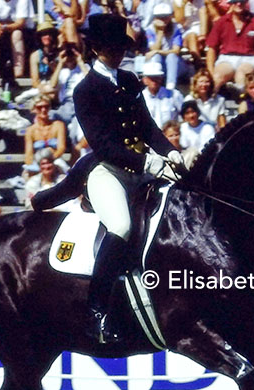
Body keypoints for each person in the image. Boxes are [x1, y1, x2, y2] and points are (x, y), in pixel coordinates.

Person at [73, 13, 183, 343]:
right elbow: (104, 146)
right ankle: (96, 311)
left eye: (121, 46)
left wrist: (171, 151)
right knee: (121, 225)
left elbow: (147, 127)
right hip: (108, 173)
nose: (119, 53)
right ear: (95, 48)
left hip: (144, 168)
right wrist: (148, 162)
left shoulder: (131, 80)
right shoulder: (85, 90)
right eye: (111, 47)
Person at [205, 0, 254, 94]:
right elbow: (212, 48)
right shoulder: (222, 22)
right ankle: (211, 102)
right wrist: (210, 71)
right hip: (227, 57)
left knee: (241, 75)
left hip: (249, 58)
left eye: (242, 1)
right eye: (235, 1)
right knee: (218, 76)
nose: (239, 4)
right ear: (230, 3)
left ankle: (241, 99)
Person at [0, 0, 34, 79]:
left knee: (17, 34)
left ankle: (18, 72)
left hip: (25, 33)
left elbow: (20, 23)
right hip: (2, 32)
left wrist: (3, 27)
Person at [145, 3, 185, 91]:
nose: (163, 19)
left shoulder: (176, 28)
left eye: (165, 16)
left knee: (171, 57)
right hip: (160, 62)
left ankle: (171, 86)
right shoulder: (150, 29)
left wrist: (158, 51)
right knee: (156, 56)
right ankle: (155, 82)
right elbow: (154, 49)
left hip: (175, 64)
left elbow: (176, 51)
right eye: (160, 17)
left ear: (170, 16)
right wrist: (160, 32)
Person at [50, 42, 89, 123]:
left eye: (71, 54)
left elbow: (91, 81)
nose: (69, 57)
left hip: (80, 102)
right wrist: (60, 63)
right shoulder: (62, 71)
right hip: (65, 104)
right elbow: (52, 84)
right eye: (67, 54)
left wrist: (80, 61)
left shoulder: (84, 68)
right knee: (50, 115)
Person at [24, 94, 67, 167]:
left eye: (46, 106)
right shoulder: (30, 130)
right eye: (39, 107)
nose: (43, 110)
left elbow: (61, 148)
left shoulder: (58, 125)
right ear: (34, 109)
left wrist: (48, 162)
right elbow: (29, 154)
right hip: (38, 162)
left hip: (55, 160)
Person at [141, 61, 183, 128]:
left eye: (157, 77)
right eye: (151, 78)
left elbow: (183, 115)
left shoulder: (174, 94)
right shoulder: (141, 98)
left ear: (161, 78)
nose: (154, 80)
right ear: (144, 80)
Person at [173, 0, 208, 65]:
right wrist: (183, 5)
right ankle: (198, 62)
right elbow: (180, 21)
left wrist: (203, 35)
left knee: (195, 38)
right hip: (183, 30)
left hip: (197, 28)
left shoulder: (200, 2)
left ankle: (198, 62)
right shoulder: (177, 2)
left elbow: (203, 16)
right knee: (192, 37)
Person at [30, 20, 60, 90]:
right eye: (44, 34)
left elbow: (62, 76)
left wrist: (51, 65)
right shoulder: (35, 55)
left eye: (50, 34)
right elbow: (35, 81)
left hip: (56, 84)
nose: (47, 37)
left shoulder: (59, 54)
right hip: (41, 87)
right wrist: (43, 89)